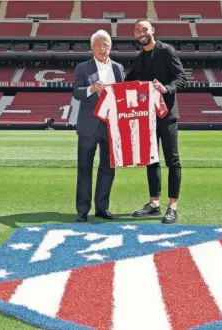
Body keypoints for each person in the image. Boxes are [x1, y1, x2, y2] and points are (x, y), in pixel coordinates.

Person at [125, 19, 187, 224]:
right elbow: (126, 82)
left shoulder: (167, 51)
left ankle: (172, 206)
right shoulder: (138, 58)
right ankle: (154, 204)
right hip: (147, 117)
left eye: (144, 29)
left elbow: (181, 78)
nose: (141, 33)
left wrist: (166, 88)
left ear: (152, 30)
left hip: (167, 115)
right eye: (137, 30)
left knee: (172, 160)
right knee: (151, 160)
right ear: (134, 35)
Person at [72, 29, 125, 222]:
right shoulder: (82, 68)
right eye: (99, 45)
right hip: (89, 126)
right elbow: (76, 92)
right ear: (92, 47)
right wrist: (91, 89)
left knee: (108, 169)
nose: (103, 49)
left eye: (106, 45)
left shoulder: (118, 68)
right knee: (84, 168)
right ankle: (82, 210)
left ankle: (102, 207)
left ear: (110, 47)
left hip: (111, 126)